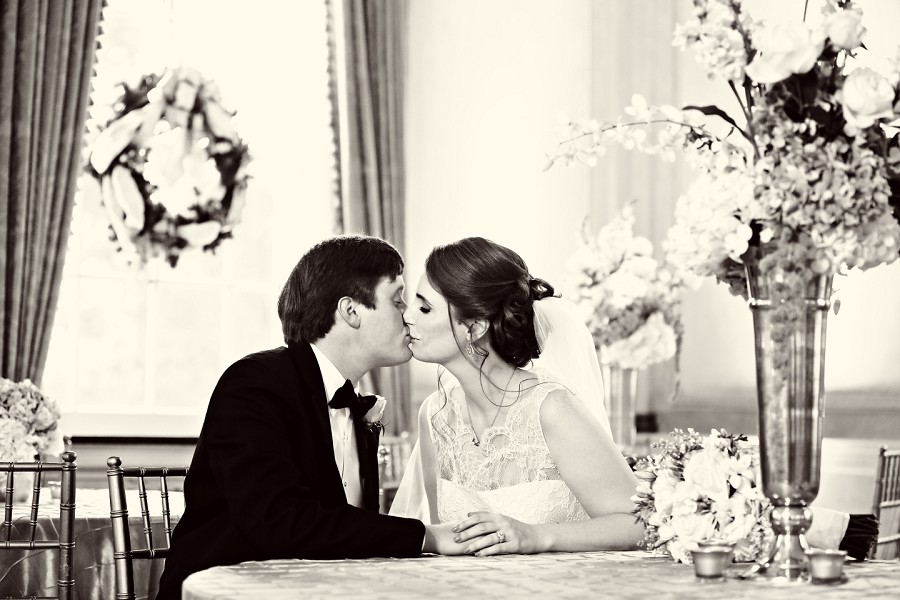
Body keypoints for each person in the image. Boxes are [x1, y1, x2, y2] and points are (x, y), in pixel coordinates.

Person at [156, 235, 464, 600]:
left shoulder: (352, 404)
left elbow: (345, 536)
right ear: (351, 311)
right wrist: (427, 535)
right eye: (397, 300)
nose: (409, 314)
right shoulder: (254, 384)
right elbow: (283, 522)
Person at [390, 237, 644, 555]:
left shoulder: (551, 409)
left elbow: (641, 523)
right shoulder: (435, 415)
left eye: (425, 307)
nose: (407, 315)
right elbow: (447, 539)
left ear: (476, 326)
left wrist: (535, 536)